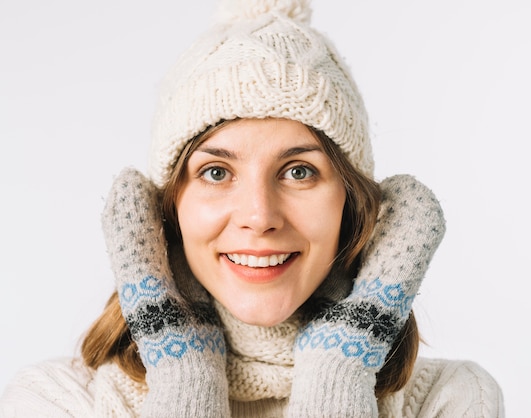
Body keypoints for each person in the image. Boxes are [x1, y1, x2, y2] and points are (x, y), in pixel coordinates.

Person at [0, 0, 505, 416]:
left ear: (351, 204)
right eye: (216, 172)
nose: (260, 216)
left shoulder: (450, 401)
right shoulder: (57, 401)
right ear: (166, 209)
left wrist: (339, 368)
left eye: (299, 171)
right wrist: (184, 376)